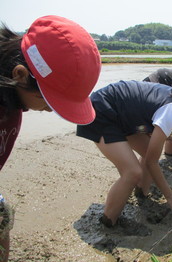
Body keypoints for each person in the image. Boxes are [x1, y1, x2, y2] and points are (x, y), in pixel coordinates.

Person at [0, 16, 101, 262]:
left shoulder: (14, 100)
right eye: (48, 101)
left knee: (3, 216)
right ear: (20, 74)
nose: (50, 110)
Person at [76, 80, 172, 228]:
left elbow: (150, 157)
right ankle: (108, 222)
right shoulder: (170, 111)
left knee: (147, 152)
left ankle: (141, 194)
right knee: (132, 172)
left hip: (123, 116)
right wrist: (169, 196)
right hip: (102, 111)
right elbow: (152, 162)